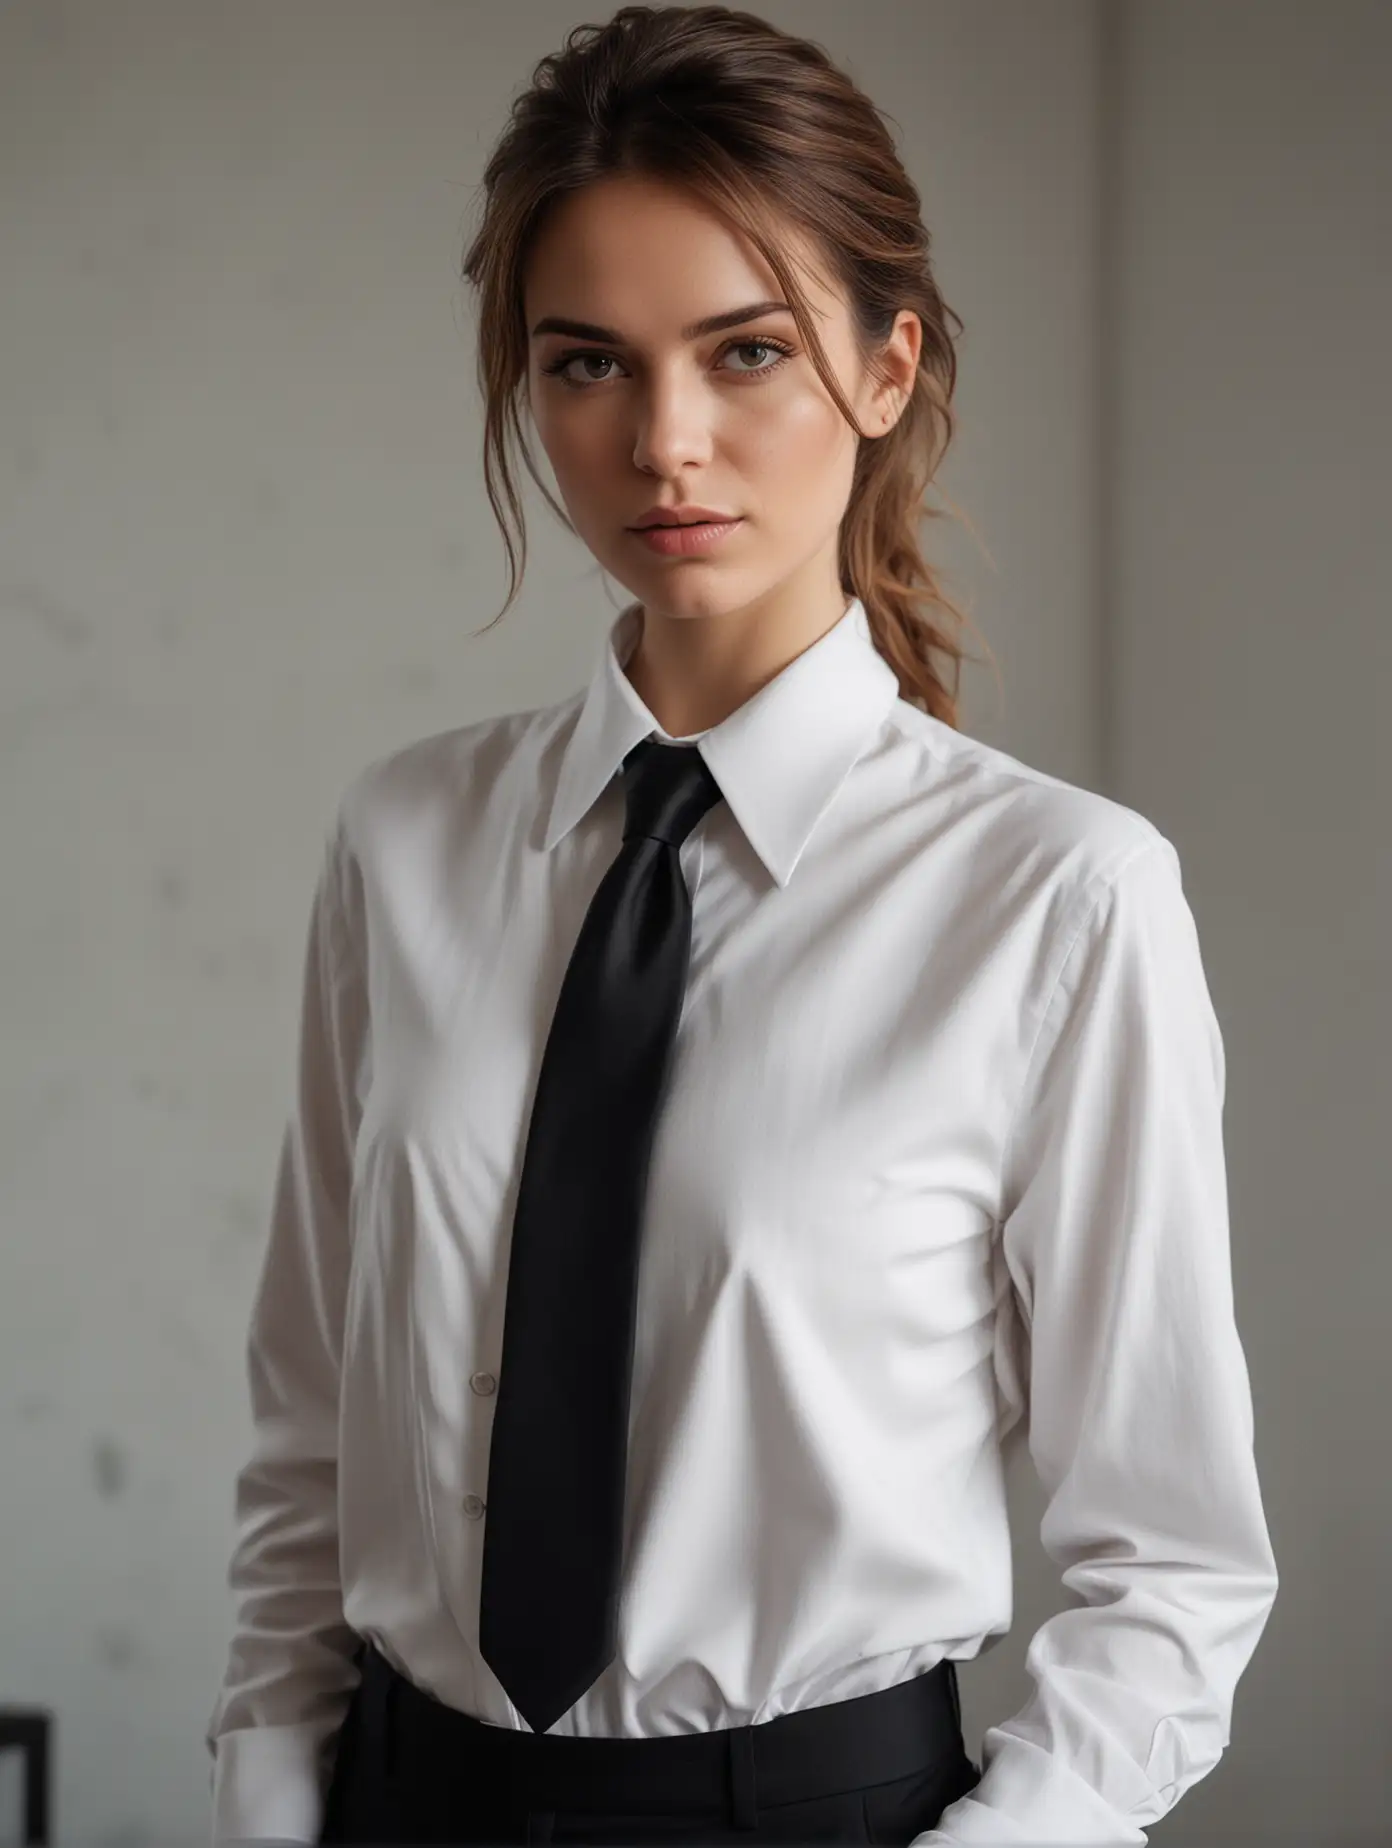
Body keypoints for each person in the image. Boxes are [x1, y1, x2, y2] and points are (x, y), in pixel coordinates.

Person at [205, 6, 1279, 1845]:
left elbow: (1171, 1570)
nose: (667, 443)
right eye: (588, 364)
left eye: (748, 352)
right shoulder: (406, 842)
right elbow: (312, 1420)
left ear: (888, 364)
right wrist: (273, 1792)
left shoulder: (1061, 901)